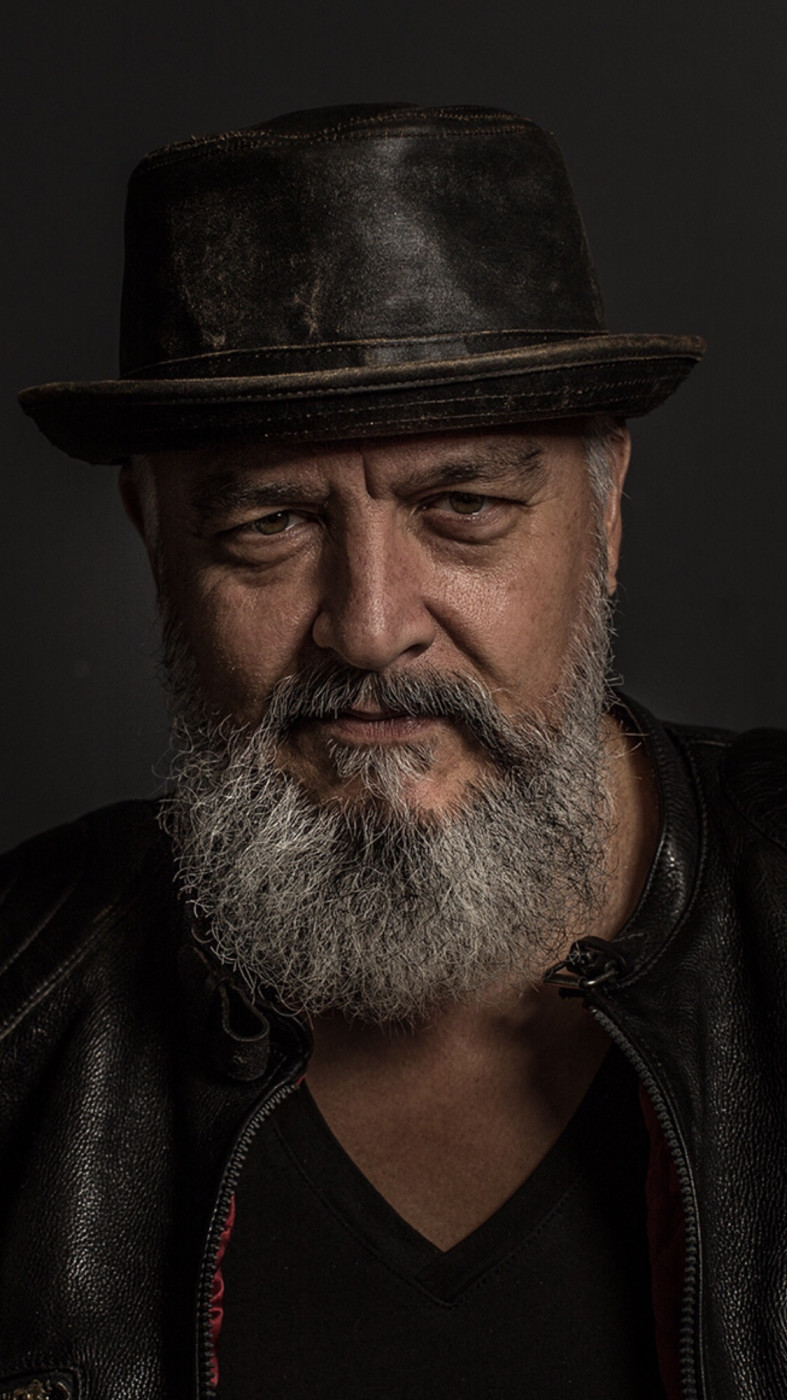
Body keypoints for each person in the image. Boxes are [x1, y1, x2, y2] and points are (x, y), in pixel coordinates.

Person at [3, 103, 785, 1400]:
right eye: (269, 522)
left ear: (604, 511)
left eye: (463, 506)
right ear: (155, 539)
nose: (369, 626)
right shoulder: (19, 1010)